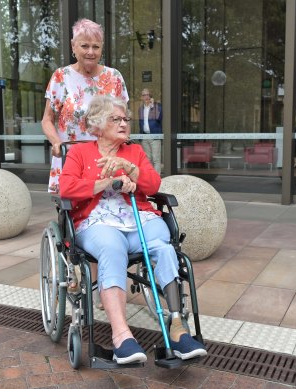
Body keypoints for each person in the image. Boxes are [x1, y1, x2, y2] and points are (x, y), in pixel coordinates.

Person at [59, 95, 207, 364]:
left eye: (125, 119)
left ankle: (177, 328)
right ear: (97, 124)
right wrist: (105, 183)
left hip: (137, 217)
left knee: (163, 246)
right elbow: (66, 189)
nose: (124, 123)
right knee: (112, 248)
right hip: (97, 222)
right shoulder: (80, 153)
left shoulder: (134, 152)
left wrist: (132, 171)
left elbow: (152, 186)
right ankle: (122, 337)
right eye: (116, 119)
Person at [41, 18, 129, 194]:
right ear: (73, 46)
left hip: (107, 160)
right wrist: (56, 142)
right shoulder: (61, 76)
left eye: (96, 47)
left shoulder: (114, 77)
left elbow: (124, 121)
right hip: (71, 159)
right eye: (85, 46)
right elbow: (47, 119)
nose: (91, 52)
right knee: (71, 212)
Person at [138, 88, 163, 174]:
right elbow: (140, 123)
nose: (145, 97)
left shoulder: (157, 106)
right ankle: (151, 179)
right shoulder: (141, 109)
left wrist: (153, 107)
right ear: (141, 97)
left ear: (150, 96)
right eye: (144, 95)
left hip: (155, 136)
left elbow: (159, 119)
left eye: (147, 95)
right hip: (145, 137)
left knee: (156, 159)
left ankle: (157, 180)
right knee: (148, 159)